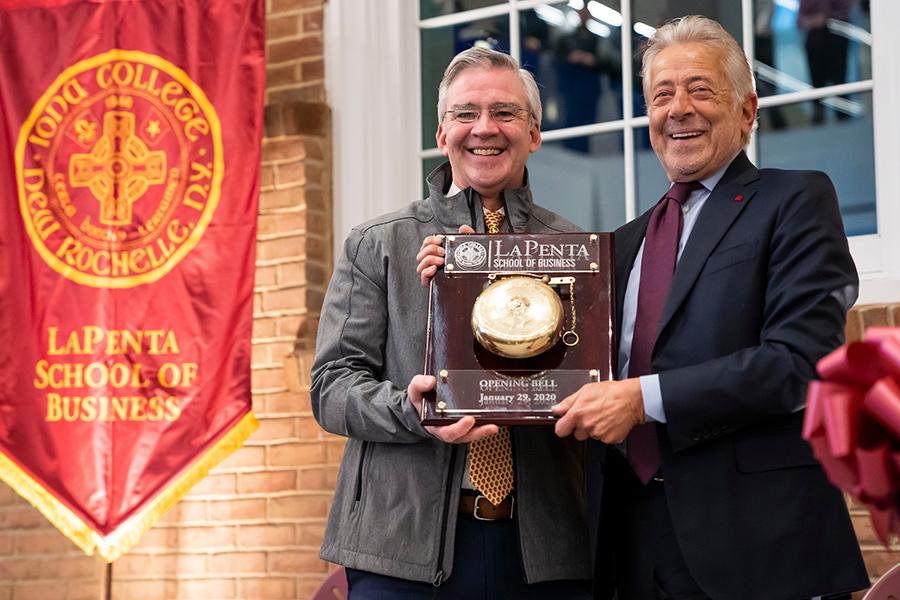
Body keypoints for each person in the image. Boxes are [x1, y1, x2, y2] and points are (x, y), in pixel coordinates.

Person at [549, 15, 869, 599]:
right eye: (661, 95)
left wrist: (642, 400)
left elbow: (800, 363)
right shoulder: (620, 244)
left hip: (758, 543)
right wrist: (456, 281)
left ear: (747, 111)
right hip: (628, 540)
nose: (679, 109)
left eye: (700, 89)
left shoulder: (795, 200)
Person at [311, 47, 592, 598]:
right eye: (465, 114)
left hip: (544, 552)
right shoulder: (379, 244)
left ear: (534, 133)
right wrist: (411, 411)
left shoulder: (574, 252)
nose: (484, 128)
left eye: (505, 113)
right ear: (442, 135)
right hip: (401, 554)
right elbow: (331, 388)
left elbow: (596, 381)